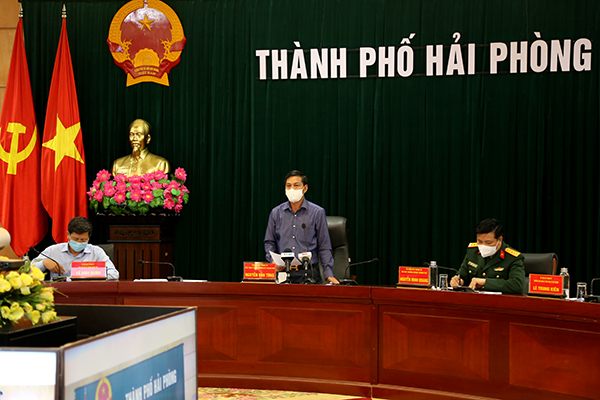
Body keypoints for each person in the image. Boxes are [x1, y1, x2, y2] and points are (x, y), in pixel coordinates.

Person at [264, 170, 339, 284]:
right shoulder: (276, 213)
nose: (292, 189)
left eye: (296, 185)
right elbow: (269, 242)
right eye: (288, 186)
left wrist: (328, 274)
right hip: (284, 272)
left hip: (309, 272)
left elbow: (324, 245)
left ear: (305, 188)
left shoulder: (317, 212)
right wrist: (273, 261)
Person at [450, 218, 524, 294]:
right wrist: (458, 280)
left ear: (500, 240)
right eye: (480, 241)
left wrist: (485, 282)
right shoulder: (472, 251)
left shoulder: (512, 257)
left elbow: (517, 285)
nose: (483, 245)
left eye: (488, 242)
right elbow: (462, 275)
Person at [32, 217, 119, 280]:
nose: (79, 242)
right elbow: (29, 270)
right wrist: (44, 263)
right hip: (60, 293)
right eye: (75, 239)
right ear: (68, 235)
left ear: (89, 237)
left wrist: (89, 275)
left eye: (83, 240)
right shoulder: (54, 250)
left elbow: (114, 274)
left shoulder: (96, 252)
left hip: (88, 293)